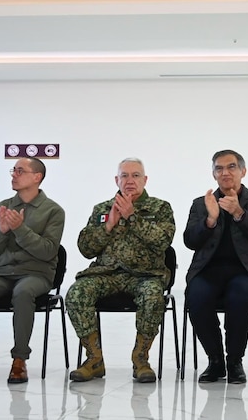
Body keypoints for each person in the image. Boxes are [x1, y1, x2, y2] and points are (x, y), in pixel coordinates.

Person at [65, 158, 176, 383]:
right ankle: (94, 359)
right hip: (106, 275)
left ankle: (141, 359)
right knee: (76, 293)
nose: (130, 181)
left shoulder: (160, 208)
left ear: (145, 180)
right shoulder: (102, 209)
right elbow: (85, 248)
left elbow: (162, 242)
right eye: (124, 176)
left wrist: (132, 217)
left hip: (145, 275)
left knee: (153, 296)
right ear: (117, 180)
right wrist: (107, 226)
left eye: (136, 175)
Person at [0, 157, 66, 384]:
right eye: (14, 170)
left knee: (23, 292)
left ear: (37, 177)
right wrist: (1, 231)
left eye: (20, 171)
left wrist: (20, 230)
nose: (14, 175)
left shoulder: (53, 211)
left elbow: (48, 251)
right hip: (2, 273)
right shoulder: (2, 208)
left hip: (36, 273)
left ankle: (19, 360)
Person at [184, 150, 248, 384]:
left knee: (239, 295)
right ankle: (215, 361)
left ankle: (235, 361)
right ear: (213, 174)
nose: (225, 173)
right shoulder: (201, 203)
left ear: (243, 171)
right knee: (196, 294)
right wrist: (210, 220)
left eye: (231, 167)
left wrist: (239, 213)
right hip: (209, 271)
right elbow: (190, 241)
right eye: (219, 168)